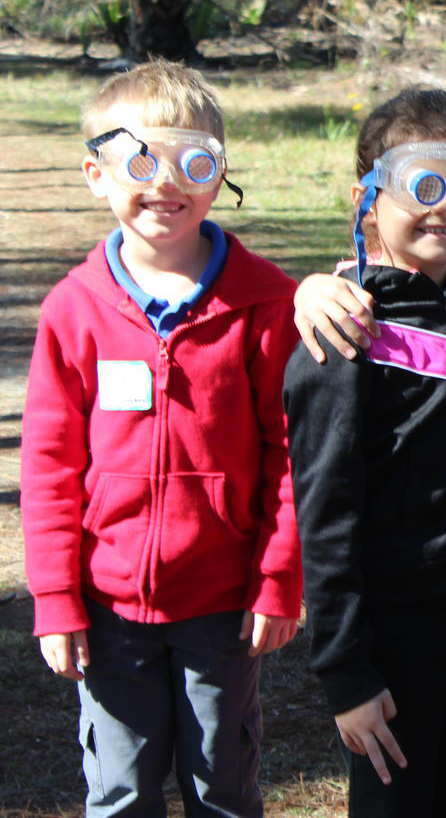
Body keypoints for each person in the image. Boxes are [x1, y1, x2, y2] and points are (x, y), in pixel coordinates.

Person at [21, 61, 302, 817]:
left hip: (223, 606)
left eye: (194, 161)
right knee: (120, 791)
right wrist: (55, 595)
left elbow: (287, 452)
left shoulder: (264, 302)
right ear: (97, 173)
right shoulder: (73, 310)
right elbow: (49, 463)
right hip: (109, 608)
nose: (166, 183)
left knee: (225, 786)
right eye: (141, 160)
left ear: (219, 175)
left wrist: (278, 579)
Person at [283, 90, 446, 817]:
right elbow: (323, 515)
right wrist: (346, 673)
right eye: (424, 182)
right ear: (367, 198)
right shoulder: (343, 336)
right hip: (397, 634)